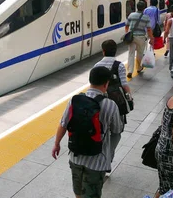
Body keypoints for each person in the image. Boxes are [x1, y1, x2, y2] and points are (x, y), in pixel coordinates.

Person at [52, 66, 122, 198]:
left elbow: (63, 124)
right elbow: (117, 132)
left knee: (78, 193)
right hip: (98, 161)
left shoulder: (75, 100)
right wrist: (110, 151)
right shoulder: (110, 105)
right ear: (106, 84)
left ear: (90, 80)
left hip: (75, 157)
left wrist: (56, 144)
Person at [94, 40, 132, 167]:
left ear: (103, 51)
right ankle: (109, 156)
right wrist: (130, 98)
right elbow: (124, 85)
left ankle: (102, 154)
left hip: (101, 102)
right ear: (115, 51)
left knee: (103, 128)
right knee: (117, 131)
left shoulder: (97, 65)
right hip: (117, 103)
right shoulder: (119, 65)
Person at [125, 1, 154, 78]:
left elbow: (126, 25)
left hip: (132, 37)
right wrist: (151, 38)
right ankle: (139, 68)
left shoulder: (131, 15)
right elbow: (148, 29)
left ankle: (130, 71)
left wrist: (127, 33)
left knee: (131, 54)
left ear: (137, 7)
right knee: (140, 53)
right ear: (144, 8)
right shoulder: (146, 17)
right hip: (141, 37)